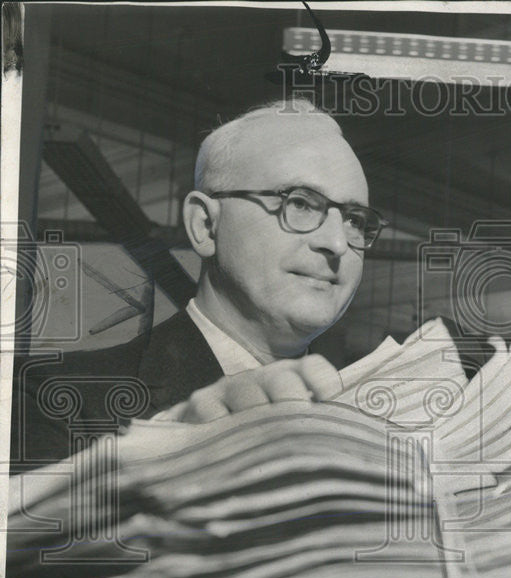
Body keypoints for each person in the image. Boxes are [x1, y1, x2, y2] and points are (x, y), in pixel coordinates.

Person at [11, 98, 381, 469]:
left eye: (355, 220)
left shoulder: (372, 433)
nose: (336, 243)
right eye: (301, 203)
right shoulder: (52, 400)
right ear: (205, 225)